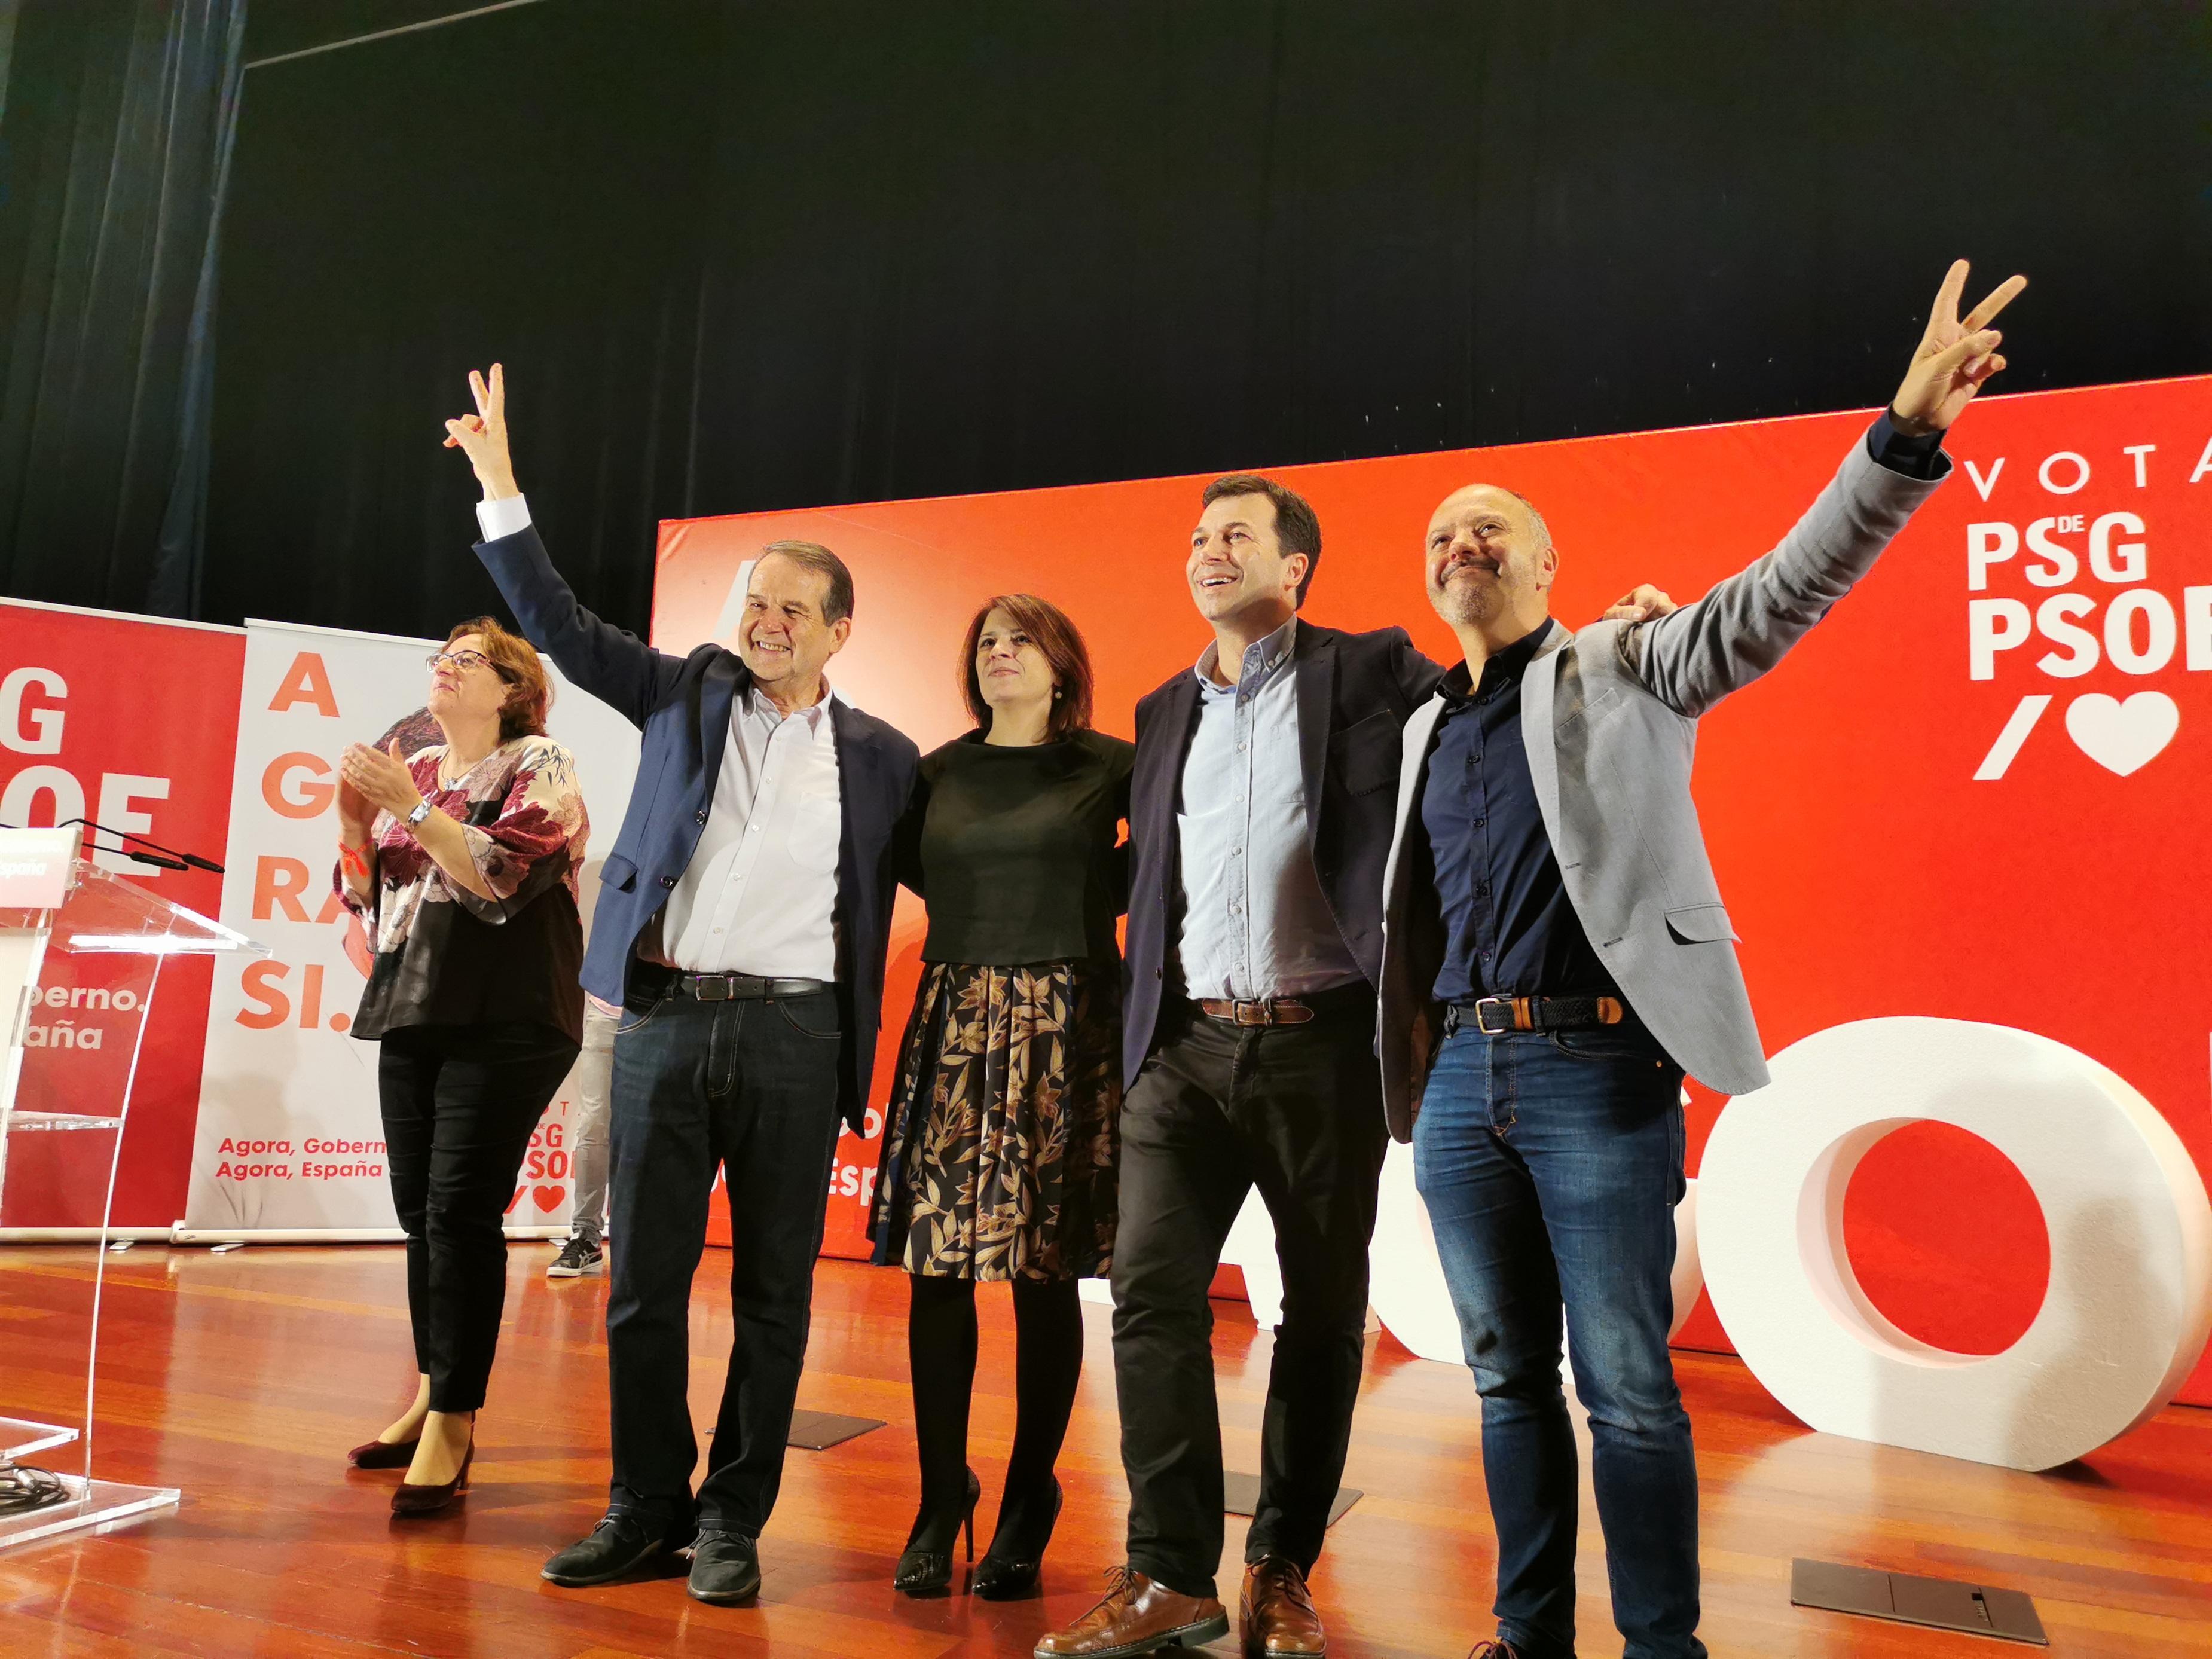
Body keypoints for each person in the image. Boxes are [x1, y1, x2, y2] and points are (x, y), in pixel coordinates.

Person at [1376, 260, 2024, 1659]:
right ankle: (1525, 1632)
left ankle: (1662, 1646)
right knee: (1502, 1382)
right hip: (1456, 1079)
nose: (1464, 543)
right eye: (1442, 534)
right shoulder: (1422, 729)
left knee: (1623, 1384)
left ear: (1548, 569)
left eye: (1494, 529)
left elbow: (1786, 589)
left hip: (1595, 1070)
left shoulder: (1628, 663)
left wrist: (1901, 432)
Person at [441, 364, 919, 1606]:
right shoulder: (679, 692)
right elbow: (554, 619)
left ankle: (733, 1520)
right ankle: (643, 1507)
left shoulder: (882, 757)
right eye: (755, 599)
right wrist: (501, 488)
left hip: (796, 1040)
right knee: (642, 1288)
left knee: (771, 1295)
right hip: (660, 1022)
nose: (766, 619)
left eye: (792, 607)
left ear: (838, 629)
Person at [1034, 469, 1444, 1659]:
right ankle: (1168, 1573)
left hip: (1320, 1047)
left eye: (1235, 536)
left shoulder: (1368, 669)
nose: (1207, 552)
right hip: (1182, 1051)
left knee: (1318, 1316)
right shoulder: (1165, 708)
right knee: (1150, 1298)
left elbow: (1487, 701)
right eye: (1197, 538)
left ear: (1293, 566)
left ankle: (1278, 1569)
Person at [870, 594, 1134, 1598]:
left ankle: (1030, 1495)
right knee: (936, 1270)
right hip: (956, 1017)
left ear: (1062, 663)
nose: (1000, 654)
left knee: (1044, 1271)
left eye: (1020, 640)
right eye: (985, 642)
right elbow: (906, 869)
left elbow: (1153, 868)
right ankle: (944, 1494)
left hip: (1067, 1024)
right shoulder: (935, 771)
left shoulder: (1111, 764)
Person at [334, 619, 589, 1518]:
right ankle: (429, 1388)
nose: (445, 667)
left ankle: (455, 1416)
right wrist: (347, 821)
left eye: (468, 659)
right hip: (416, 1003)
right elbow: (372, 892)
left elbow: (498, 875)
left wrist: (405, 805)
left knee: (459, 1207)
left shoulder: (541, 762)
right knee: (419, 1212)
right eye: (440, 656)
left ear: (513, 688)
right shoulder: (423, 764)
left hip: (509, 1012)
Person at [547, 992, 618, 1278]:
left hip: (667, 1008)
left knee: (654, 1127)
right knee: (594, 1126)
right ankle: (586, 1235)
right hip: (607, 1009)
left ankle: (640, 1238)